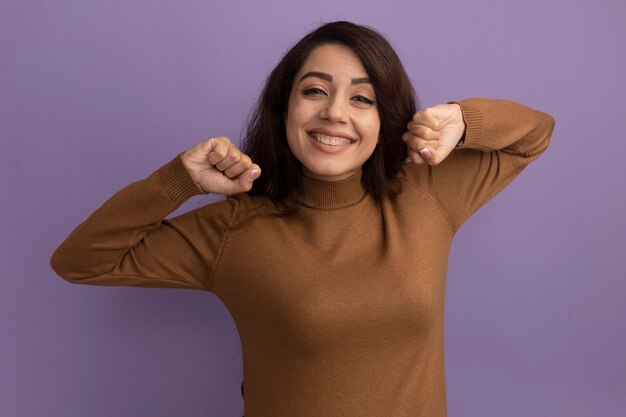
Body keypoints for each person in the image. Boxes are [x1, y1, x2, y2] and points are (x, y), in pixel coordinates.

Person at [51, 21, 554, 417]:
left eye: (362, 97)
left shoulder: (426, 196)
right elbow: (80, 261)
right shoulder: (233, 231)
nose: (336, 112)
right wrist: (178, 180)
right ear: (283, 108)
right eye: (315, 90)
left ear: (387, 120)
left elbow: (534, 134)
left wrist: (463, 120)